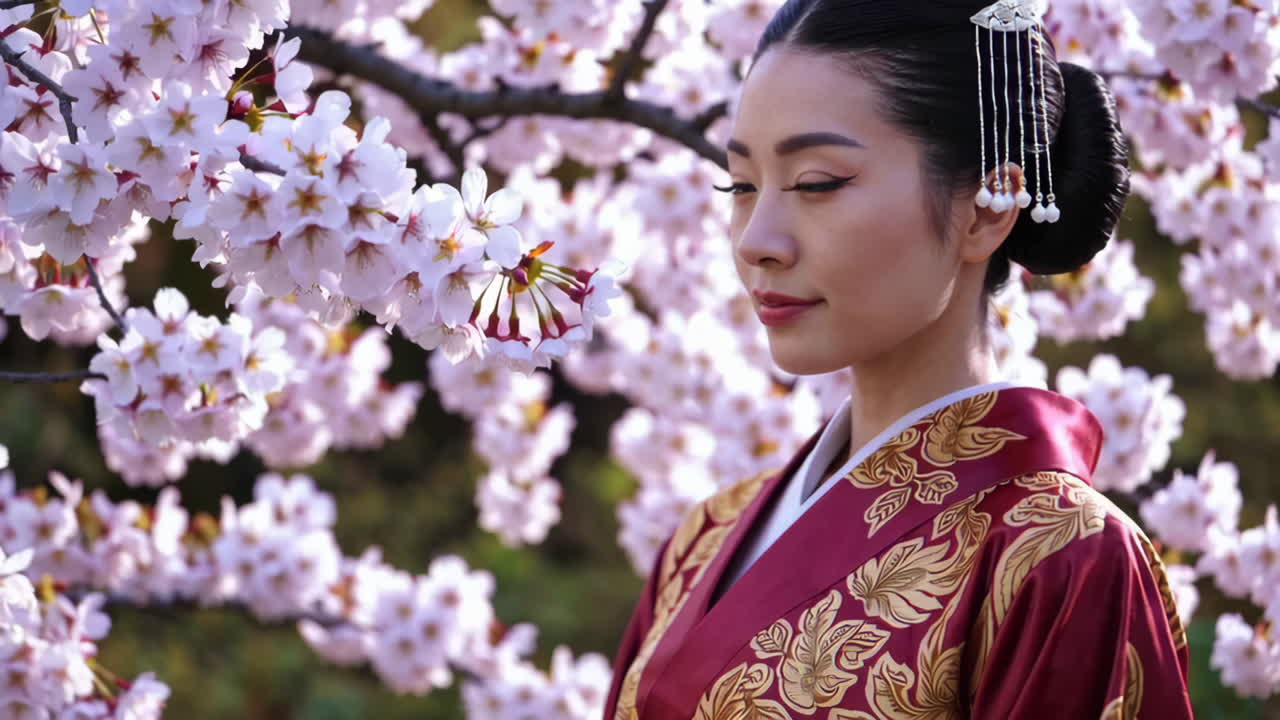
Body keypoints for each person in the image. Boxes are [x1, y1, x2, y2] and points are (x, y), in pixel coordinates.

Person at [602, 1, 1195, 718]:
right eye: (741, 185)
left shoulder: (1062, 558)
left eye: (817, 183)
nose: (756, 239)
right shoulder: (704, 538)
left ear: (986, 209)